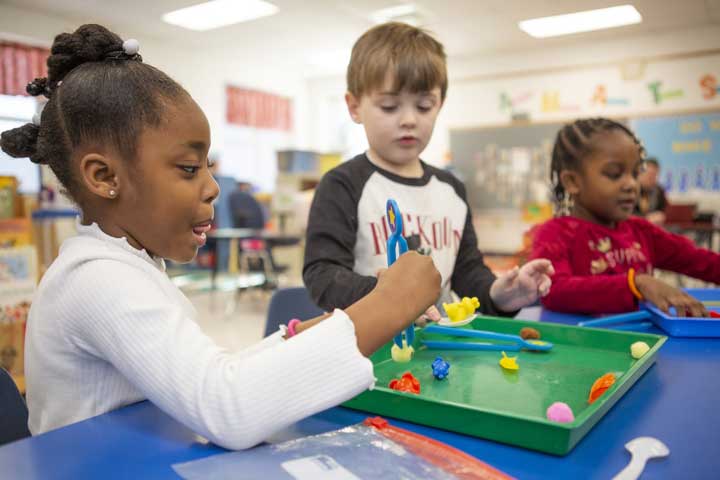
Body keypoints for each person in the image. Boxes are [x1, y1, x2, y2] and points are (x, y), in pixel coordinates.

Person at [0, 24, 441, 449]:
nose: (212, 187)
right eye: (191, 168)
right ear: (103, 176)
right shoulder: (94, 281)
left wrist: (320, 329)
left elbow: (210, 372)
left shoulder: (127, 266)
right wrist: (392, 302)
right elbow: (227, 405)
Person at [303, 22, 553, 320]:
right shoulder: (342, 184)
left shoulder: (452, 189)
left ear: (440, 105)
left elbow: (468, 274)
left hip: (439, 351)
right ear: (354, 106)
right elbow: (323, 276)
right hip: (370, 352)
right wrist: (394, 297)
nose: (409, 119)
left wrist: (499, 294)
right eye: (389, 106)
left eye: (423, 106)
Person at [530, 118, 720, 316]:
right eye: (614, 174)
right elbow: (553, 289)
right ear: (572, 182)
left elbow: (699, 260)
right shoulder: (555, 234)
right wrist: (636, 284)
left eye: (636, 173)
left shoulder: (641, 231)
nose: (631, 185)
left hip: (642, 345)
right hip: (583, 344)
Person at [634, 157, 667, 225]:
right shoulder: (631, 190)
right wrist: (646, 218)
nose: (652, 179)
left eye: (655, 175)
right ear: (640, 173)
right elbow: (626, 215)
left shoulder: (659, 190)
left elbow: (662, 211)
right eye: (649, 175)